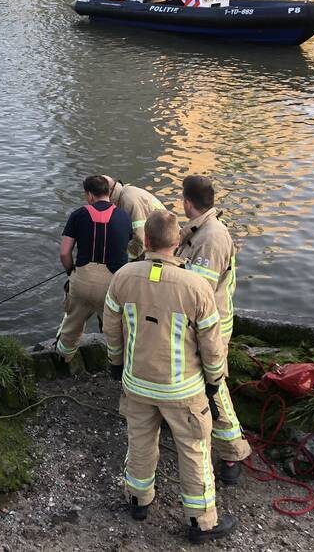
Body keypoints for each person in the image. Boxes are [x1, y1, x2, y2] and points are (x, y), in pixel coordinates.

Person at [103, 211, 238, 544]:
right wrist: (214, 380)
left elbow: (111, 328)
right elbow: (211, 343)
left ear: (145, 241)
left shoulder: (122, 277)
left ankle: (138, 501)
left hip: (137, 383)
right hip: (183, 390)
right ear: (177, 243)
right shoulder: (195, 287)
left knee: (140, 441)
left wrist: (116, 365)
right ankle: (201, 521)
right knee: (194, 449)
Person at [175, 175, 252, 485]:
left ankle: (234, 451)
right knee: (203, 383)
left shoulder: (211, 237)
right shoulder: (201, 230)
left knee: (214, 386)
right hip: (201, 323)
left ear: (187, 202)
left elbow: (200, 293)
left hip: (210, 327)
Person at [55, 175, 132, 362]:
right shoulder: (124, 216)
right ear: (109, 192)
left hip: (82, 281)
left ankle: (63, 359)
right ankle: (116, 364)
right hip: (112, 285)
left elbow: (64, 253)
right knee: (115, 329)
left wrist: (71, 271)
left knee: (71, 325)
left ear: (89, 195)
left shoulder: (78, 214)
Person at [103, 175, 169, 261]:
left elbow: (140, 239)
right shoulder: (124, 193)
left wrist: (123, 258)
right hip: (160, 239)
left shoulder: (129, 201)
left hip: (163, 244)